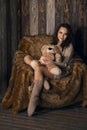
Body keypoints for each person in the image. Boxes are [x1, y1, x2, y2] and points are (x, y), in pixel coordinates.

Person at [24, 23, 74, 116]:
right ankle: (43, 80)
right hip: (48, 66)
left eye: (65, 34)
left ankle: (34, 99)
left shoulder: (69, 47)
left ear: (68, 35)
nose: (62, 36)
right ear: (57, 32)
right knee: (27, 58)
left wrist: (50, 62)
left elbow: (64, 64)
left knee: (38, 69)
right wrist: (43, 59)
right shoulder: (53, 43)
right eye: (60, 32)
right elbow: (47, 52)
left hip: (60, 70)